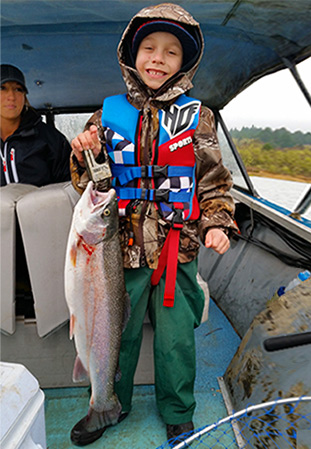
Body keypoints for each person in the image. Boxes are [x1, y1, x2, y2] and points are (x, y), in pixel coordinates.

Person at [70, 3, 238, 446]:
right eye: (149, 48)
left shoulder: (199, 118)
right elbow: (86, 180)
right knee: (116, 335)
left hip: (176, 249)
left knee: (176, 341)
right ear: (131, 53)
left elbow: (215, 185)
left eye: (171, 52)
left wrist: (216, 225)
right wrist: (86, 150)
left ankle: (178, 412)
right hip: (117, 247)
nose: (158, 59)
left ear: (185, 63)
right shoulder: (105, 117)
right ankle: (108, 405)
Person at [1, 64, 71, 186]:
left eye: (18, 89)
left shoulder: (50, 139)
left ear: (25, 96)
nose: (11, 97)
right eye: (2, 88)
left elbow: (70, 187)